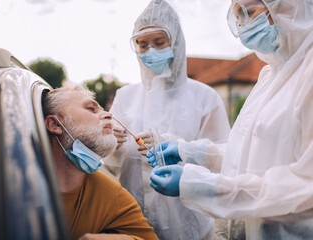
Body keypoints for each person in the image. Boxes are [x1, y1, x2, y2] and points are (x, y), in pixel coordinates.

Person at [148, 0, 313, 239]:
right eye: (237, 16)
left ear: (288, 7)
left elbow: (305, 185)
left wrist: (206, 187)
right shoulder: (271, 74)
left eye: (248, 12)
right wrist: (190, 152)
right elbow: (247, 153)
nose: (241, 23)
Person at [102, 0, 231, 239]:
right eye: (142, 45)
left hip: (189, 223)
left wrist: (175, 147)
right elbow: (111, 166)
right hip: (133, 220)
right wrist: (113, 143)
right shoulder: (126, 96)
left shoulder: (204, 97)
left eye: (159, 43)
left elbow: (222, 162)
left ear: (176, 42)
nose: (150, 51)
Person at [42, 85, 158, 240]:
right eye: (91, 109)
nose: (109, 115)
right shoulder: (10, 185)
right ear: (55, 124)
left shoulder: (112, 196)